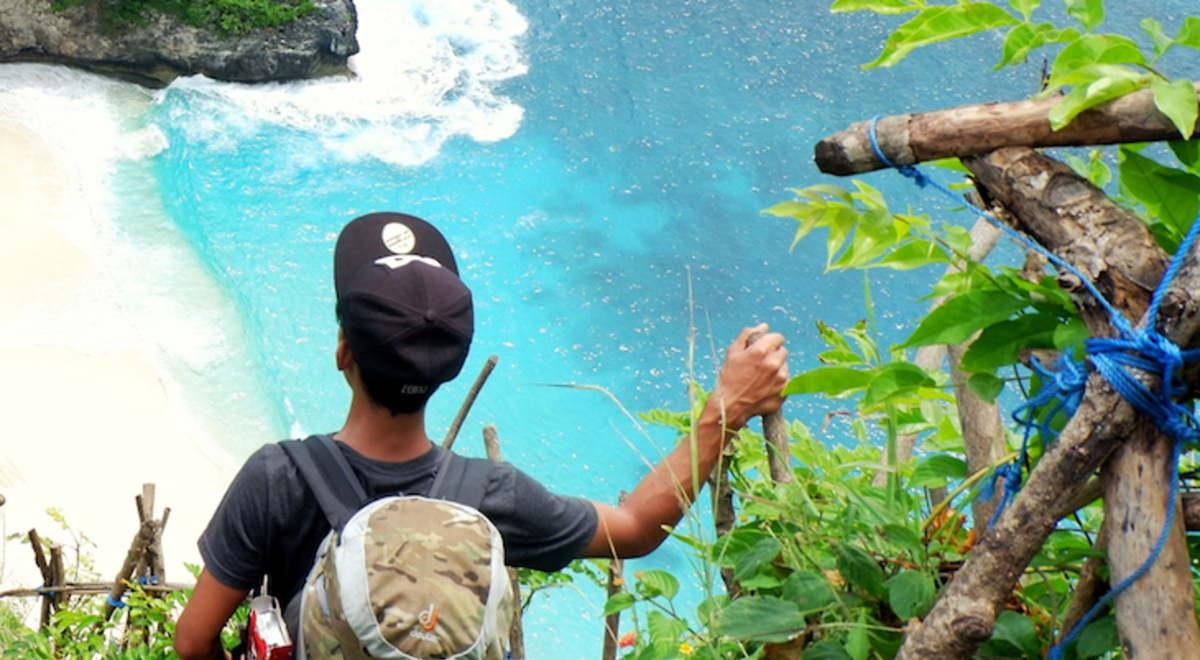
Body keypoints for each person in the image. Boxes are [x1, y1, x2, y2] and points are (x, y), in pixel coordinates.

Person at [174, 212, 789, 660]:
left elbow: (193, 642)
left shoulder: (277, 477)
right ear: (452, 365)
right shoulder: (492, 495)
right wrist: (725, 409)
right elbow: (634, 529)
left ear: (343, 354)